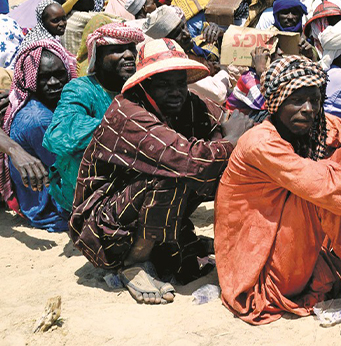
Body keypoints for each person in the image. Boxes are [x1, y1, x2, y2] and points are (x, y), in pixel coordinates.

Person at [69, 38, 253, 304]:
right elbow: (187, 161)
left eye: (179, 83)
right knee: (175, 173)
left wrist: (232, 136)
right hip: (100, 227)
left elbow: (229, 121)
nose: (175, 91)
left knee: (223, 163)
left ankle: (170, 240)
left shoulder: (186, 102)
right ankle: (135, 262)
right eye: (164, 84)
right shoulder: (128, 113)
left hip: (133, 206)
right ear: (145, 84)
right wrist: (230, 140)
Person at [214, 55, 341, 324]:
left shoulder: (311, 125)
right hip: (257, 271)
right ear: (276, 104)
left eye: (314, 100)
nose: (308, 109)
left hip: (286, 248)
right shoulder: (261, 142)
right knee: (323, 194)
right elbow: (334, 191)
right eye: (297, 100)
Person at [42, 23, 145, 211]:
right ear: (97, 59)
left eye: (131, 49)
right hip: (84, 185)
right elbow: (58, 134)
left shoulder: (139, 87)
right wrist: (126, 128)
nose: (129, 55)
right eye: (117, 50)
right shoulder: (80, 89)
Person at [0, 39, 76, 231]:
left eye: (59, 75)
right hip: (47, 208)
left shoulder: (32, 104)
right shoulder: (39, 120)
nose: (54, 83)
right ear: (30, 79)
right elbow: (69, 173)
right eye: (44, 77)